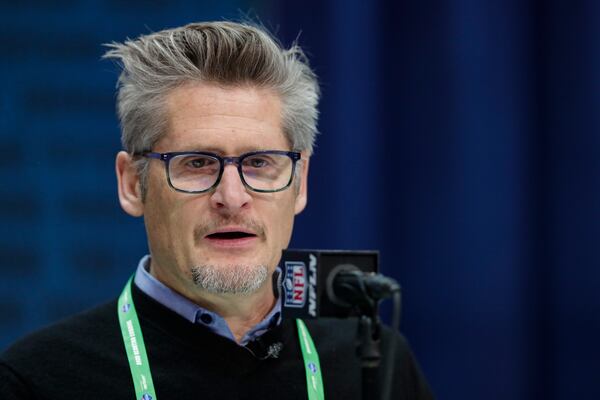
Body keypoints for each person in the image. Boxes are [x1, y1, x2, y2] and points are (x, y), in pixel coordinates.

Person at [0, 21, 433, 400]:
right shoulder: (36, 380)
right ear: (133, 185)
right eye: (197, 163)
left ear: (300, 183)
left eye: (259, 163)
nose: (232, 196)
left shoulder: (372, 365)